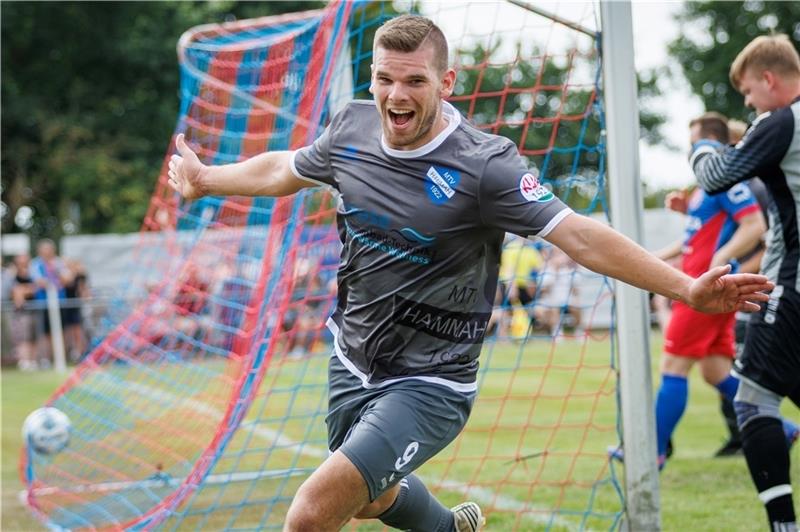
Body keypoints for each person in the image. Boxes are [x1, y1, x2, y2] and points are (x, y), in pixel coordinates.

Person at [168, 15, 772, 532]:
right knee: (368, 499)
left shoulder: (485, 166)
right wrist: (206, 179)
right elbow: (284, 170)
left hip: (431, 381)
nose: (395, 95)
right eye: (384, 78)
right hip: (350, 358)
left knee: (310, 512)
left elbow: (580, 234)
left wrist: (687, 288)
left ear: (446, 82)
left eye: (414, 80)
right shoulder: (349, 129)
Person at [691, 34, 800, 532]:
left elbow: (719, 175)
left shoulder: (781, 119)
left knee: (754, 401)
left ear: (769, 80)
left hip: (792, 280)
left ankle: (783, 526)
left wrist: (702, 148)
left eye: (749, 93)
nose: (749, 105)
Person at [646, 112, 768, 469]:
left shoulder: (729, 180)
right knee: (715, 373)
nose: (691, 152)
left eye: (695, 145)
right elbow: (696, 240)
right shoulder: (704, 188)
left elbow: (755, 229)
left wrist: (724, 261)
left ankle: (652, 451)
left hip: (702, 292)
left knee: (672, 366)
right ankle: (786, 428)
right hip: (701, 286)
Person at [29, 239, 73, 368]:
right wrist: (54, 284)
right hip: (43, 303)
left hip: (60, 302)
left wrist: (56, 273)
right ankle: (47, 359)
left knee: (62, 331)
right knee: (45, 333)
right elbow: (39, 281)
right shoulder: (35, 264)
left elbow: (67, 279)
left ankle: (62, 357)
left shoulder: (58, 262)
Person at [10, 254, 39, 371]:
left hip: (34, 310)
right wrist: (24, 290)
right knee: (23, 337)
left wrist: (24, 290)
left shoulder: (32, 273)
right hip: (21, 312)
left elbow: (35, 288)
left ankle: (33, 360)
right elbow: (15, 291)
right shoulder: (12, 274)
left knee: (34, 336)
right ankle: (24, 360)